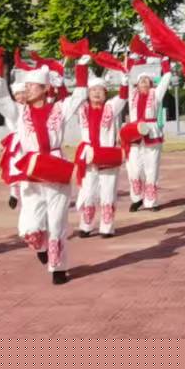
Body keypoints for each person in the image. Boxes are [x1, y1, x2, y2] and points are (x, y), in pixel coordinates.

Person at [0, 53, 86, 284]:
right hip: (31, 169)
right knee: (30, 227)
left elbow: (80, 95)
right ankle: (42, 247)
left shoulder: (59, 109)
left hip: (55, 166)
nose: (26, 89)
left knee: (57, 222)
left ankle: (58, 268)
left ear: (45, 88)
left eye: (31, 85)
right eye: (26, 85)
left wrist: (81, 67)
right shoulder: (19, 112)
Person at [72, 58, 128, 237]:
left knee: (108, 193)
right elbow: (73, 95)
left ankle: (107, 227)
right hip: (89, 156)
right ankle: (86, 226)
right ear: (88, 93)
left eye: (100, 90)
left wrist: (124, 80)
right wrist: (81, 67)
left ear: (105, 93)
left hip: (107, 155)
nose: (96, 93)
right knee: (88, 192)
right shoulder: (82, 108)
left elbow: (123, 97)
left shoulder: (111, 107)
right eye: (93, 90)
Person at [123, 58, 173, 212]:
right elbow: (125, 81)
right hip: (134, 135)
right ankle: (137, 198)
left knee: (152, 169)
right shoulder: (132, 95)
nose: (144, 82)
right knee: (134, 169)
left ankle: (151, 201)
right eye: (141, 80)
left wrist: (165, 62)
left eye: (147, 80)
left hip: (151, 134)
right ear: (137, 84)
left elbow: (166, 79)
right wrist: (129, 65)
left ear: (151, 84)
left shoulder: (155, 94)